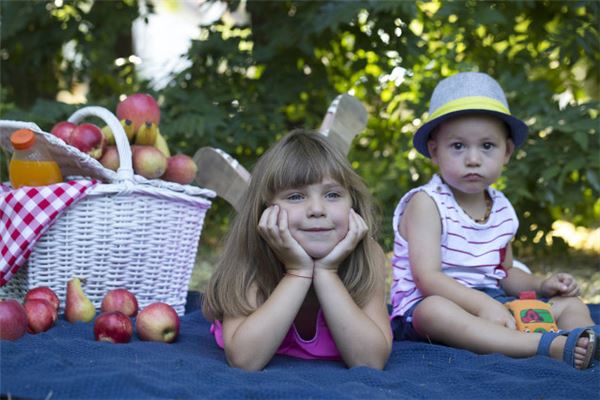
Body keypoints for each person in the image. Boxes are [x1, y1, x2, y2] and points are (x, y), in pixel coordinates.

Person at [390, 71, 598, 369]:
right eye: (458, 146)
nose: (473, 159)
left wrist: (542, 283)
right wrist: (483, 305)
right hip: (435, 305)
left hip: (493, 302)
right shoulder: (427, 203)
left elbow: (505, 272)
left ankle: (583, 339)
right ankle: (542, 346)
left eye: (487, 146)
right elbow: (428, 278)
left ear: (507, 152)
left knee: (571, 304)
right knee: (435, 312)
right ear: (434, 151)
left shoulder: (501, 207)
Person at [203, 129, 392, 371]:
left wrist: (327, 272)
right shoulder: (252, 253)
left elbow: (370, 361)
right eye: (295, 197)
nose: (316, 209)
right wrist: (298, 271)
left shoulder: (367, 255)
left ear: (352, 204)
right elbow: (244, 360)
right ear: (265, 210)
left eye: (333, 194)